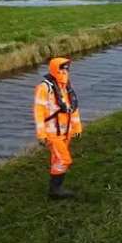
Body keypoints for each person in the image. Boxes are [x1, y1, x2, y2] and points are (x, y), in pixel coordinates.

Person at [34, 57, 82, 199]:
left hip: (66, 131)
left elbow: (73, 108)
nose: (65, 71)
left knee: (57, 160)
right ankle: (56, 189)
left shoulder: (66, 86)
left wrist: (77, 127)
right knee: (64, 160)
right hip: (52, 133)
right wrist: (41, 134)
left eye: (66, 68)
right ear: (55, 69)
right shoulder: (44, 88)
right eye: (62, 68)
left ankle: (55, 189)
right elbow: (39, 112)